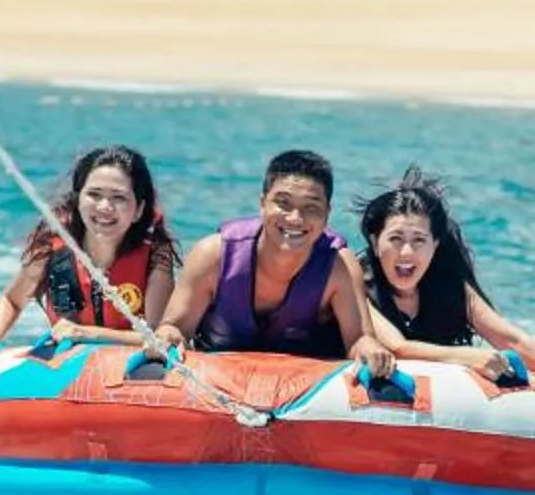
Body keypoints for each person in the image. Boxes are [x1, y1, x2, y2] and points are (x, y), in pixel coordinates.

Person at [353, 169, 535, 400]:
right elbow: (398, 347)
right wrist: (470, 358)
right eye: (395, 238)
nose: (407, 252)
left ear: (435, 244)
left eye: (419, 240)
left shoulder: (448, 285)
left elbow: (511, 339)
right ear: (376, 243)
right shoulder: (357, 282)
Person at [148, 149, 389, 370]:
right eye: (283, 204)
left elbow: (358, 339)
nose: (295, 218)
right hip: (218, 386)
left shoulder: (339, 266)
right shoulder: (213, 256)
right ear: (262, 204)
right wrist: (169, 335)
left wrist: (370, 349)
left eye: (311, 207)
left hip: (306, 392)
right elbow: (175, 327)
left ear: (327, 214)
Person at [0, 145, 181, 362]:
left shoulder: (155, 255)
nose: (105, 206)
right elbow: (12, 300)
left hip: (129, 368)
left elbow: (157, 335)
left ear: (139, 210)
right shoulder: (53, 245)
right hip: (67, 369)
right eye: (94, 195)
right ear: (78, 200)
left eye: (119, 198)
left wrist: (87, 334)